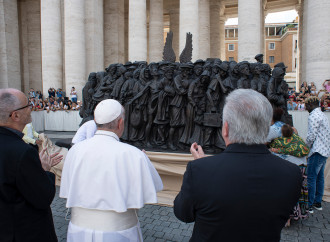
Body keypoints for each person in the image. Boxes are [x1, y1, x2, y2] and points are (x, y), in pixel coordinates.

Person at [174, 89, 302, 242]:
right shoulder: (292, 173)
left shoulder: (199, 170)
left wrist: (203, 167)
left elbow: (183, 214)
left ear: (225, 129)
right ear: (267, 128)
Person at [60, 99, 163, 242]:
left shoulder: (75, 150)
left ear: (95, 120)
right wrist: (140, 162)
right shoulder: (133, 154)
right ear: (121, 123)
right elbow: (151, 188)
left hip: (78, 231)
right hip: (118, 234)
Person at [0, 88, 63, 242]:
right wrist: (45, 170)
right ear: (15, 115)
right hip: (23, 232)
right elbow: (43, 197)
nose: (32, 108)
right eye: (27, 106)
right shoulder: (22, 152)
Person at [305, 96, 330, 213]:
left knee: (311, 178)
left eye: (306, 106)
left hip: (317, 150)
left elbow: (311, 136)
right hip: (324, 151)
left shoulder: (314, 115)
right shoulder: (322, 115)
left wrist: (305, 148)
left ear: (310, 105)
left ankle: (309, 205)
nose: (306, 108)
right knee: (320, 178)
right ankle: (317, 202)